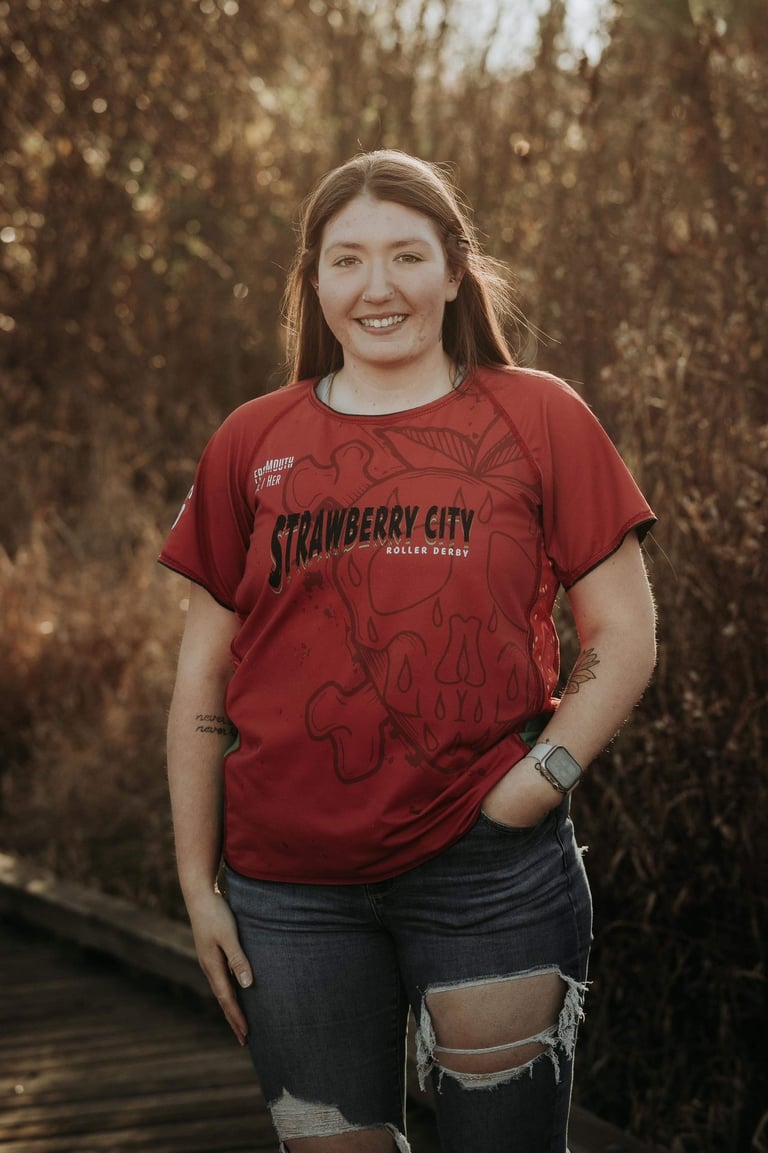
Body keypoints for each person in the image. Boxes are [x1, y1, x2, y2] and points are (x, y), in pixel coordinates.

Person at [161, 149, 657, 1153]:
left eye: (405, 256)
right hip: (288, 891)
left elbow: (626, 632)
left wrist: (538, 781)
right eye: (346, 261)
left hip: (492, 874)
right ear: (315, 281)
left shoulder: (539, 416)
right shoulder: (251, 442)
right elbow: (202, 680)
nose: (376, 287)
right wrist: (194, 882)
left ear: (453, 268)